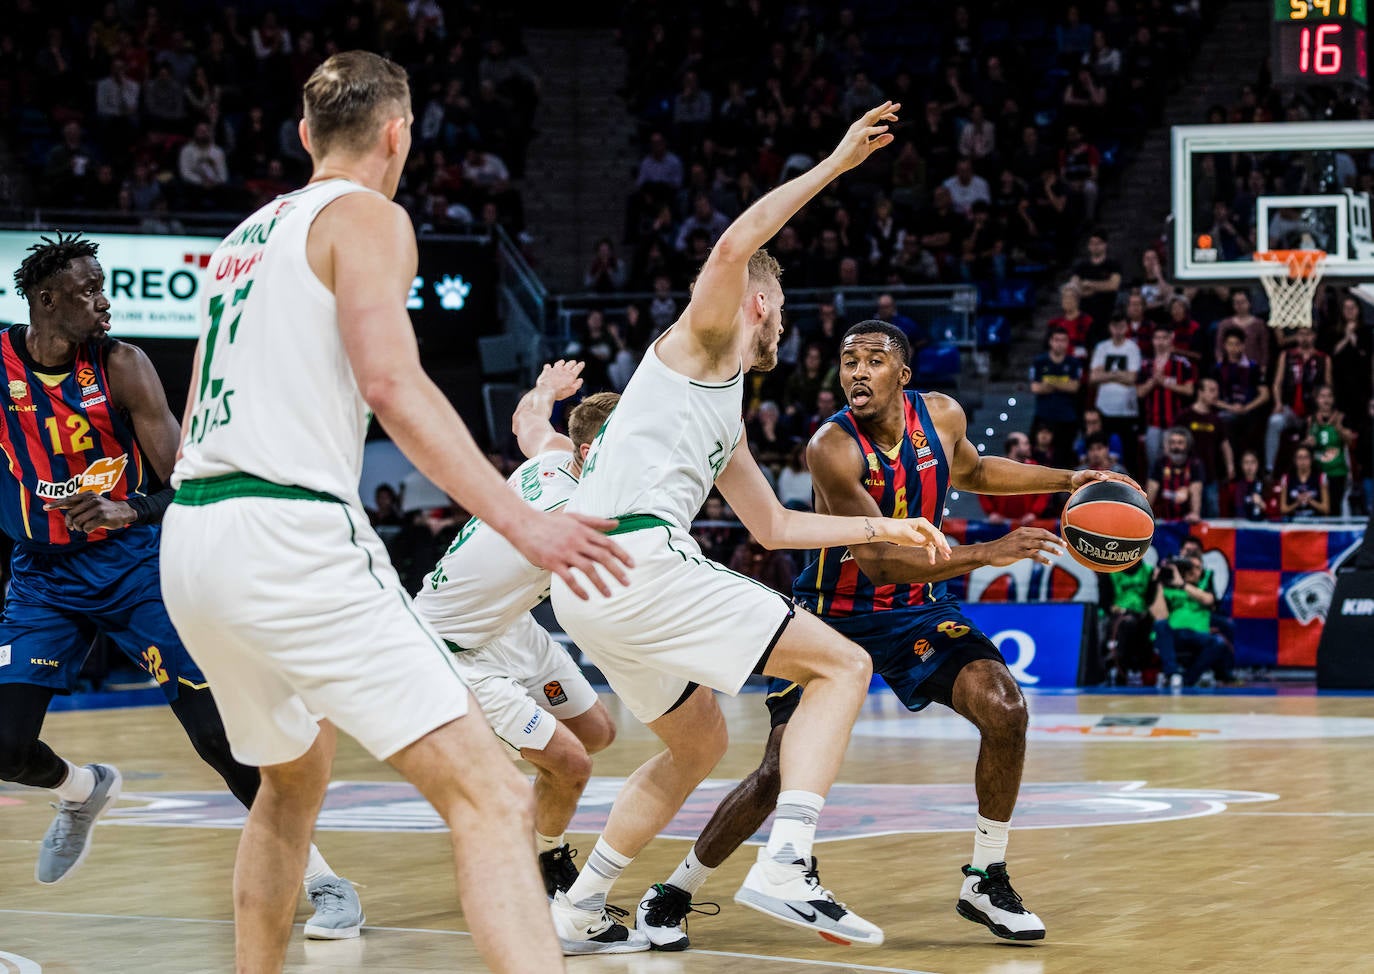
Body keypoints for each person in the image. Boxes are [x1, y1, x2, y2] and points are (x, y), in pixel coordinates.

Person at [158, 52, 632, 974]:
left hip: (194, 533)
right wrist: (524, 521)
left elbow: (207, 395)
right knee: (494, 795)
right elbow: (392, 384)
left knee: (290, 784)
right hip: (288, 532)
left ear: (305, 133)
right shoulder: (369, 215)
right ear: (398, 132)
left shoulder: (244, 235)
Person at [550, 102, 952, 953]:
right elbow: (734, 246)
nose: (786, 326)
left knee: (696, 744)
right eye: (783, 310)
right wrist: (835, 165)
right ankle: (789, 860)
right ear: (759, 302)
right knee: (843, 664)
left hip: (587, 586)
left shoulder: (721, 407)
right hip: (637, 559)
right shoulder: (700, 341)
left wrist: (888, 530)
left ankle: (581, 902)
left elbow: (770, 526)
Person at [639, 319, 1142, 949]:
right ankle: (676, 889)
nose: (857, 371)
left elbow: (976, 471)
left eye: (873, 360)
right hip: (832, 616)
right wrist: (988, 552)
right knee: (777, 773)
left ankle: (987, 877)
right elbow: (880, 563)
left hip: (918, 611)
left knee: (1005, 708)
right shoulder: (831, 447)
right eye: (848, 360)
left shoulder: (942, 416)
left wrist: (1069, 480)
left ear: (902, 374)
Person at [0, 233, 364, 939]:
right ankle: (83, 789)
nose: (104, 301)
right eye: (87, 291)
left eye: (103, 287)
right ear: (45, 300)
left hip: (135, 567)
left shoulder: (123, 366)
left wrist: (128, 509)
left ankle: (323, 880)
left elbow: (186, 483)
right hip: (42, 578)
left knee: (218, 738)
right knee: (6, 748)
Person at [413, 361, 620, 899]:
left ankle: (496, 765)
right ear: (590, 452)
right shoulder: (571, 509)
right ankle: (542, 856)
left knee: (596, 734)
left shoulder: (553, 458)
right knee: (570, 764)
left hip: (507, 626)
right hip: (450, 648)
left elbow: (528, 420)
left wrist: (546, 388)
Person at [1089, 314, 1142, 474]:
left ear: (1126, 327)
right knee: (1101, 451)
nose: (1118, 330)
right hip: (1104, 408)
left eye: (1121, 326)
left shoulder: (1133, 348)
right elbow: (1093, 377)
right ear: (1110, 327)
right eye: (1115, 326)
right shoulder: (1102, 347)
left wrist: (1107, 374)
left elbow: (1132, 378)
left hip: (1127, 410)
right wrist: (1120, 375)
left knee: (1130, 454)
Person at [1029, 326, 1083, 466]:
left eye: (1063, 340)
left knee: (1064, 459)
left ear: (1067, 343)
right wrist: (1063, 383)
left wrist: (1049, 383)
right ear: (1050, 341)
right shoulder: (1039, 361)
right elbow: (1035, 388)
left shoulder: (1074, 362)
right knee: (1038, 458)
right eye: (1056, 340)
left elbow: (1074, 387)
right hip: (1044, 416)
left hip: (1067, 418)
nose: (1059, 343)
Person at [1305, 384, 1355, 516]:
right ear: (1316, 399)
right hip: (1317, 473)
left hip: (1337, 472)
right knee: (1317, 510)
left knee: (1335, 509)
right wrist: (1309, 442)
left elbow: (1350, 441)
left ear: (1333, 399)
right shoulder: (1311, 420)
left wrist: (1339, 428)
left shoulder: (1341, 417)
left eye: (1329, 396)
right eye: (1322, 396)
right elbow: (1303, 446)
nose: (1326, 400)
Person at [1146, 427, 1203, 522]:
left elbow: (1196, 489)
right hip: (1162, 518)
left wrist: (1195, 513)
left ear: (1187, 445)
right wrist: (1146, 513)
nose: (1176, 447)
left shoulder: (1195, 464)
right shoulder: (1160, 463)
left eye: (1180, 443)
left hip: (1187, 518)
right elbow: (1152, 488)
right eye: (1172, 442)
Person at [1280, 443, 1329, 520]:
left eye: (1306, 457)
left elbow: (1326, 509)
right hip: (1293, 522)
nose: (1302, 461)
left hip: (1315, 522)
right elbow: (1283, 509)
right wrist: (1297, 503)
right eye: (1299, 457)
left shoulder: (1321, 477)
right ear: (1295, 460)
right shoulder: (1286, 478)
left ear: (1311, 459)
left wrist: (1310, 501)